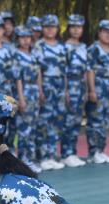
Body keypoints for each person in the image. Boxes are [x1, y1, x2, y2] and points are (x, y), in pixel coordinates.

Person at [33, 14, 65, 171]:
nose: (50, 30)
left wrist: (65, 90)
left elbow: (64, 71)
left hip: (59, 87)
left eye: (53, 27)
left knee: (56, 122)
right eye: (47, 27)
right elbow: (37, 70)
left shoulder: (61, 47)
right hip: (46, 85)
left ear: (57, 29)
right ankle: (42, 156)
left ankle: (52, 155)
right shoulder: (38, 46)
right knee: (43, 123)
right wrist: (40, 89)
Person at [85, 19, 109, 164]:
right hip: (98, 88)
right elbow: (90, 70)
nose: (108, 35)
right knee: (95, 121)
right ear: (99, 33)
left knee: (105, 122)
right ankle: (93, 152)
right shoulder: (94, 49)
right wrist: (92, 90)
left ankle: (101, 150)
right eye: (105, 32)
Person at [11, 26, 41, 172]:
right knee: (24, 128)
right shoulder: (16, 55)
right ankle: (23, 160)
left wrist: (40, 91)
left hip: (34, 92)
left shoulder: (34, 55)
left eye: (28, 37)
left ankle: (30, 158)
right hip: (24, 91)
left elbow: (38, 74)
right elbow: (18, 79)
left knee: (32, 128)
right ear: (17, 39)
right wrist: (21, 98)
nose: (25, 40)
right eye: (22, 37)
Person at [59, 13, 87, 168]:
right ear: (69, 29)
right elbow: (63, 71)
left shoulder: (83, 47)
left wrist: (87, 88)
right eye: (73, 27)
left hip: (81, 86)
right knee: (68, 121)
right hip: (70, 84)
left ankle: (73, 152)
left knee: (77, 121)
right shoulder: (64, 47)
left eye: (79, 27)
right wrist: (66, 90)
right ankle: (65, 153)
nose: (76, 30)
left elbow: (86, 69)